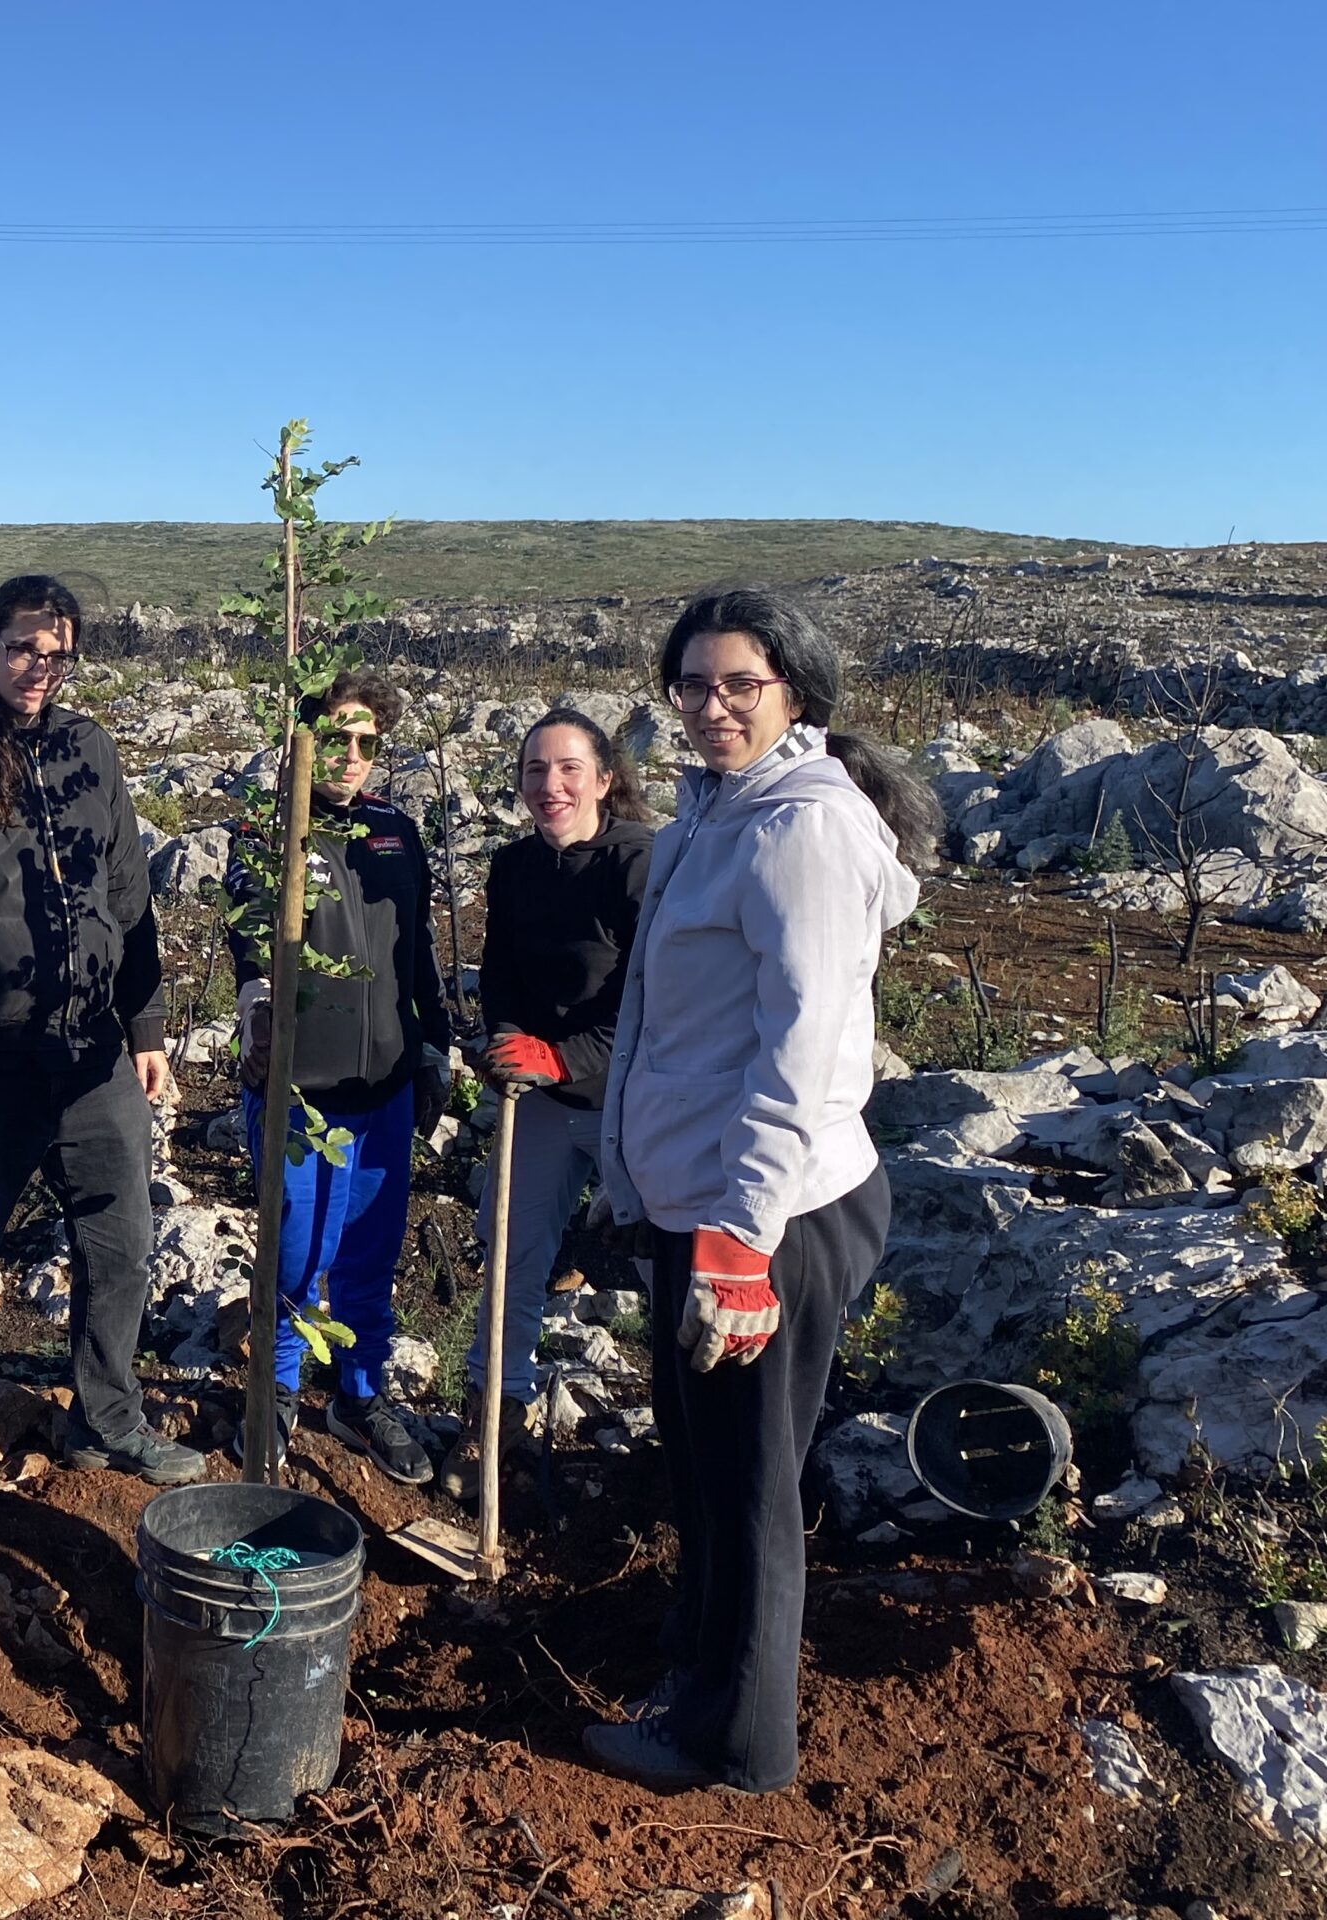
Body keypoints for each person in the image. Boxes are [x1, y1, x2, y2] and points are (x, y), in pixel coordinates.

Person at [586, 586, 939, 1795]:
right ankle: (696, 1674)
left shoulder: (803, 830)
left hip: (765, 1217)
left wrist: (740, 1240)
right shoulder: (718, 809)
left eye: (741, 683)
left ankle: (735, 1746)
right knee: (702, 1464)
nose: (712, 705)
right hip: (704, 1202)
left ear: (795, 691)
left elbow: (805, 1050)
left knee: (748, 1484)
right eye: (691, 684)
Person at [0, 573, 206, 1548]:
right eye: (20, 647)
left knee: (120, 1240)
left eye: (55, 654)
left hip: (90, 1052)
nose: (36, 669)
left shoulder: (89, 749)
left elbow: (129, 895)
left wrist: (145, 1029)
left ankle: (105, 1418)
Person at [225, 670, 452, 1482]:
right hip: (300, 1091)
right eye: (335, 738)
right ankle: (277, 1389)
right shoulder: (267, 833)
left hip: (385, 1088)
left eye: (367, 743)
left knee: (369, 1254)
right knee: (293, 1254)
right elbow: (251, 949)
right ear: (303, 738)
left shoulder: (396, 831)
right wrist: (256, 1011)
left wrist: (433, 1048)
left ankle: (359, 1396)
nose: (351, 756)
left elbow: (418, 954)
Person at [450, 709, 657, 1477]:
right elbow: (501, 973)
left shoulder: (639, 863)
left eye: (570, 768)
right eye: (536, 770)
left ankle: (692, 1430)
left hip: (631, 1098)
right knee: (511, 1251)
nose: (551, 785)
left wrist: (562, 1057)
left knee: (666, 1262)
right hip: (538, 1095)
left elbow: (651, 1001)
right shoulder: (514, 867)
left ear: (604, 779)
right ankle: (495, 1411)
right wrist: (505, 1042)